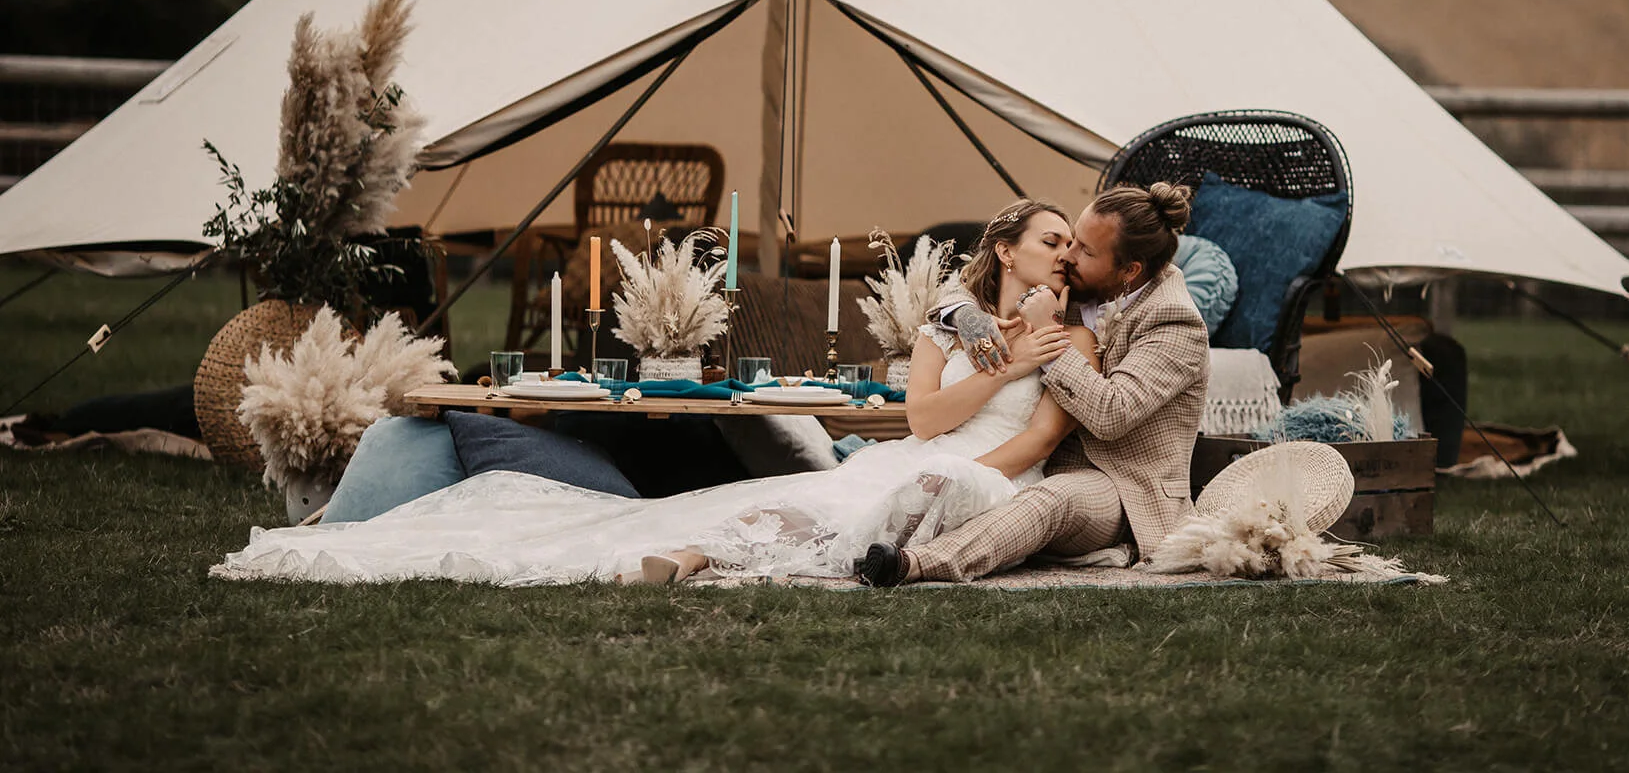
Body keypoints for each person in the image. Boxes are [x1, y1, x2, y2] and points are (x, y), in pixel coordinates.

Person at [210, 199, 1093, 585]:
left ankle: (705, 558)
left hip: (987, 476)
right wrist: (1006, 364)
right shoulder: (950, 323)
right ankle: (697, 551)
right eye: (1051, 239)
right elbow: (925, 415)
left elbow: (1039, 441)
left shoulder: (1075, 336)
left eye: (1071, 244)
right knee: (808, 492)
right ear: (1007, 249)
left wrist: (1001, 445)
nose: (1064, 253)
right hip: (924, 447)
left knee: (889, 487)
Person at [855, 182, 1209, 586]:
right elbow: (977, 285)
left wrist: (1047, 333)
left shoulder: (1174, 320)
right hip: (1046, 467)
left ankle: (915, 564)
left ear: (1129, 272)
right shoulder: (1083, 282)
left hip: (1124, 486)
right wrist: (963, 316)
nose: (1068, 257)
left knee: (1050, 501)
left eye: (1084, 251)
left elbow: (1113, 413)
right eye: (1071, 240)